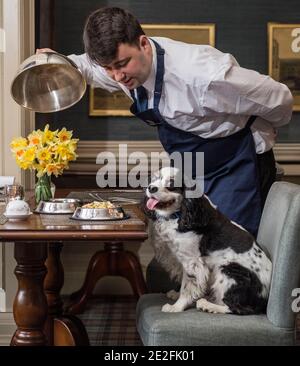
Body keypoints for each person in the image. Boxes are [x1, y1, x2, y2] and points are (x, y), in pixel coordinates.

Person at [37, 7, 293, 236]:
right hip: (193, 167)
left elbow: (278, 98)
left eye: (122, 64)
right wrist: (62, 63)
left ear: (144, 44)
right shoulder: (123, 72)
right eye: (109, 68)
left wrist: (265, 132)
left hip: (237, 165)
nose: (116, 76)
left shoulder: (203, 76)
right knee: (196, 246)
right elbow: (87, 66)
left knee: (232, 249)